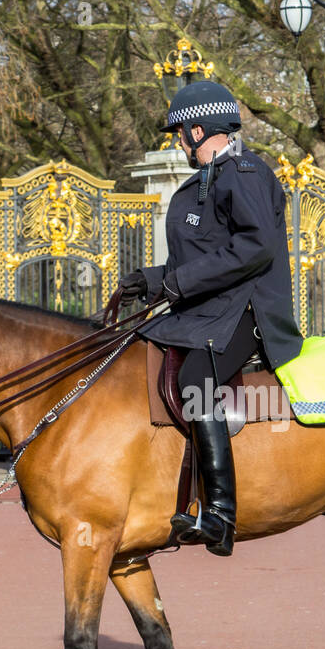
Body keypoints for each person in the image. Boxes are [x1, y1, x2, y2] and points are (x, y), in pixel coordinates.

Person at [118, 80, 302, 557]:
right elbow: (209, 255)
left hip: (248, 310)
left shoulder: (242, 172)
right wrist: (153, 278)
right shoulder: (202, 181)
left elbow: (255, 248)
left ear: (199, 130)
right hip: (206, 309)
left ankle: (220, 512)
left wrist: (177, 283)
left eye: (181, 133)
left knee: (197, 376)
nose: (179, 142)